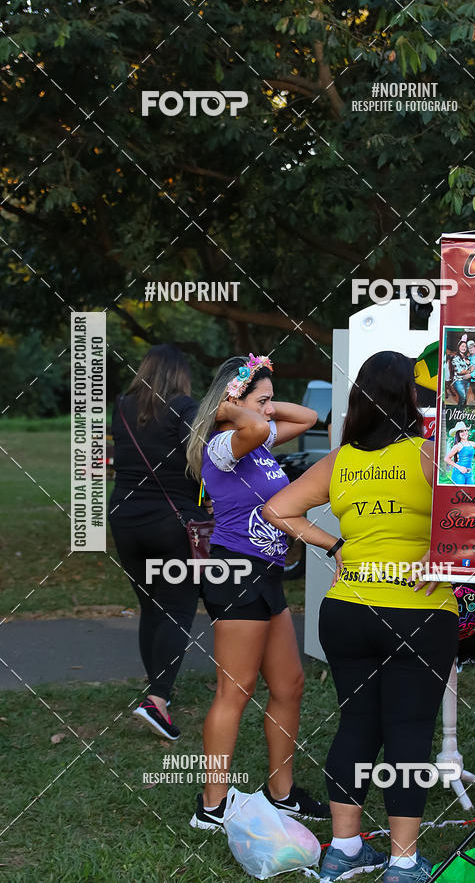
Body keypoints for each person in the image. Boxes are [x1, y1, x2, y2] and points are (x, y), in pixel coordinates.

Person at [263, 351, 459, 883]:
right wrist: (441, 551)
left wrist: (336, 545)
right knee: (409, 732)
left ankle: (345, 850)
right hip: (417, 611)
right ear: (411, 398)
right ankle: (403, 862)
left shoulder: (341, 460)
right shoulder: (430, 453)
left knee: (357, 724)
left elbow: (276, 510)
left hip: (347, 611)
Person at [185, 354, 329, 831]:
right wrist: (229, 408)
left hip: (266, 574)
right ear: (233, 402)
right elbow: (253, 425)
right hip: (235, 573)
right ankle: (212, 806)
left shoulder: (259, 439)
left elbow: (308, 417)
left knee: (289, 685)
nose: (270, 410)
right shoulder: (224, 443)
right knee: (236, 690)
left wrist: (258, 400)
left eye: (271, 401)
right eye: (263, 400)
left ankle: (281, 793)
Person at [109, 344, 210, 741]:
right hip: (172, 522)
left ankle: (156, 689)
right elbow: (202, 463)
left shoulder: (122, 406)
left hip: (125, 519)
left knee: (150, 606)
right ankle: (158, 700)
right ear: (180, 375)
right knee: (178, 608)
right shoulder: (186, 408)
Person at [444, 421, 475, 486]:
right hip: (459, 473)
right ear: (458, 434)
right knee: (460, 491)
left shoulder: (471, 443)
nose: (464, 433)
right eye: (461, 431)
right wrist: (460, 467)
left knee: (471, 490)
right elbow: (446, 459)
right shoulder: (458, 446)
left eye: (465, 430)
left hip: (469, 473)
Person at [449, 337, 470, 407]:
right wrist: (470, 371)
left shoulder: (466, 357)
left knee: (464, 398)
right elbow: (459, 371)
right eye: (462, 346)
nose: (464, 348)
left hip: (467, 380)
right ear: (458, 347)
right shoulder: (455, 357)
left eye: (465, 347)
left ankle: (463, 411)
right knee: (462, 398)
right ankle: (458, 411)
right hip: (459, 381)